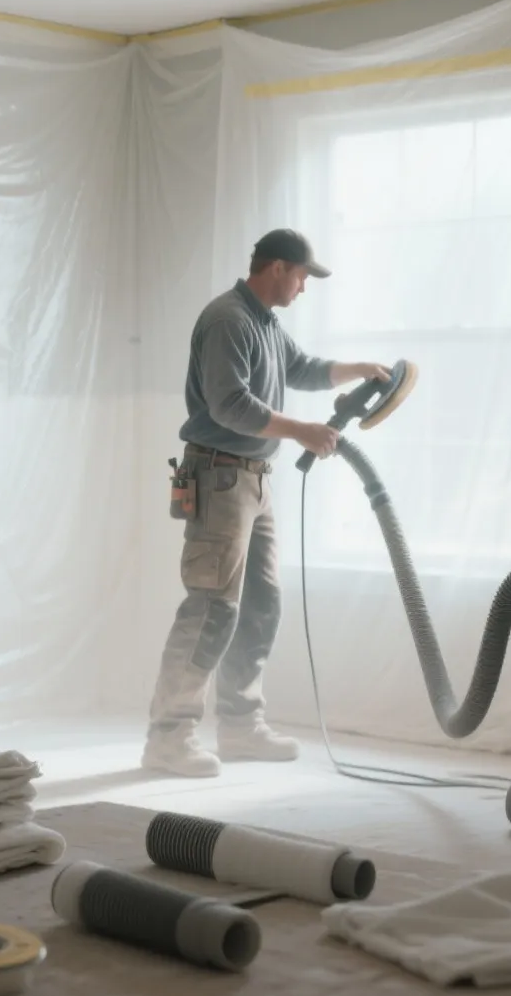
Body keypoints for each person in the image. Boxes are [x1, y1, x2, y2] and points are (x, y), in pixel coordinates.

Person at [143, 229, 390, 778]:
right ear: (277, 268)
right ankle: (168, 735)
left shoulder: (265, 324)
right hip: (219, 476)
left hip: (256, 480)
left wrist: (359, 370)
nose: (304, 288)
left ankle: (239, 726)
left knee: (260, 604)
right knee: (210, 606)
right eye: (302, 276)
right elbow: (229, 405)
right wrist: (302, 430)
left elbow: (300, 369)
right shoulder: (228, 319)